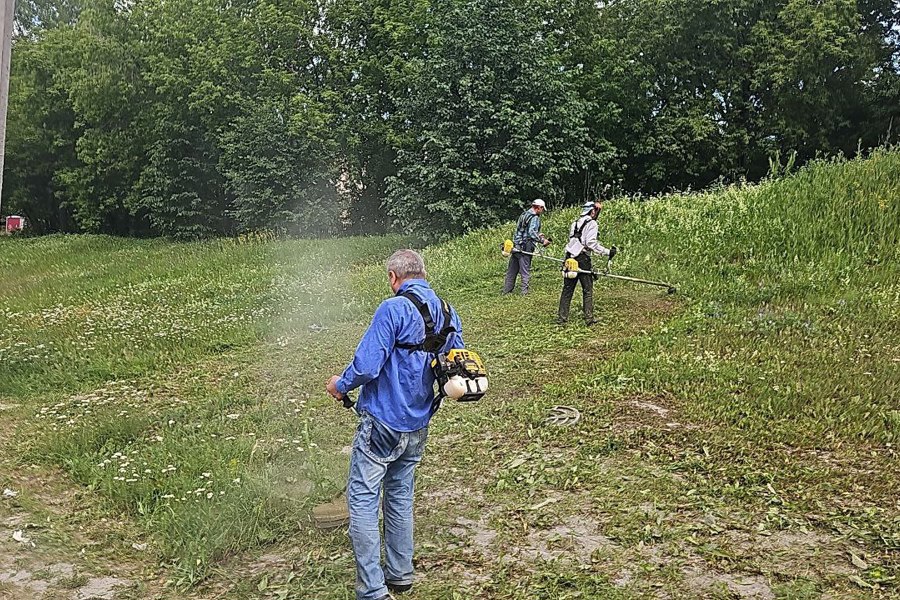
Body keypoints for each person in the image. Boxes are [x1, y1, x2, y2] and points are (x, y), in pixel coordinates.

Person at [326, 249, 464, 600]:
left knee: (362, 499)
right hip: (418, 423)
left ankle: (372, 590)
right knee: (400, 496)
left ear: (393, 277)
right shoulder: (447, 310)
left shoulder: (393, 308)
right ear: (423, 273)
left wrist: (340, 384)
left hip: (383, 423)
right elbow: (457, 362)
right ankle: (400, 575)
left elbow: (368, 366)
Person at [557, 200, 616, 326]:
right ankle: (589, 319)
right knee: (587, 289)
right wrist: (607, 252)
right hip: (582, 259)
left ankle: (562, 318)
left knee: (567, 289)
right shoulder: (592, 223)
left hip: (569, 257)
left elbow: (573, 240)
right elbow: (590, 243)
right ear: (592, 211)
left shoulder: (575, 223)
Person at [502, 199, 551, 295]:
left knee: (512, 269)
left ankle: (507, 290)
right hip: (525, 246)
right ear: (539, 208)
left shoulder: (524, 214)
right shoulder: (534, 217)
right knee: (525, 269)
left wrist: (538, 234)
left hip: (516, 244)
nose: (542, 212)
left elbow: (522, 230)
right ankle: (524, 292)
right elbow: (531, 233)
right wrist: (543, 240)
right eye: (542, 209)